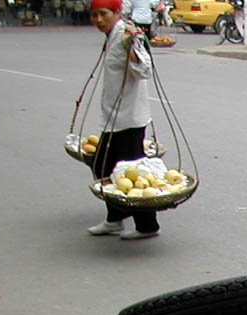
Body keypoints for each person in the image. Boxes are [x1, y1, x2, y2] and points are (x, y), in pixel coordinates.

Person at [86, 0, 160, 240]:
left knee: (127, 171)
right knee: (106, 167)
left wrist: (131, 47)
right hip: (116, 117)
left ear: (117, 13)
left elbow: (145, 70)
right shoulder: (112, 35)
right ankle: (115, 219)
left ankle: (147, 225)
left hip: (129, 119)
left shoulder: (126, 35)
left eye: (103, 14)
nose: (98, 19)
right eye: (94, 15)